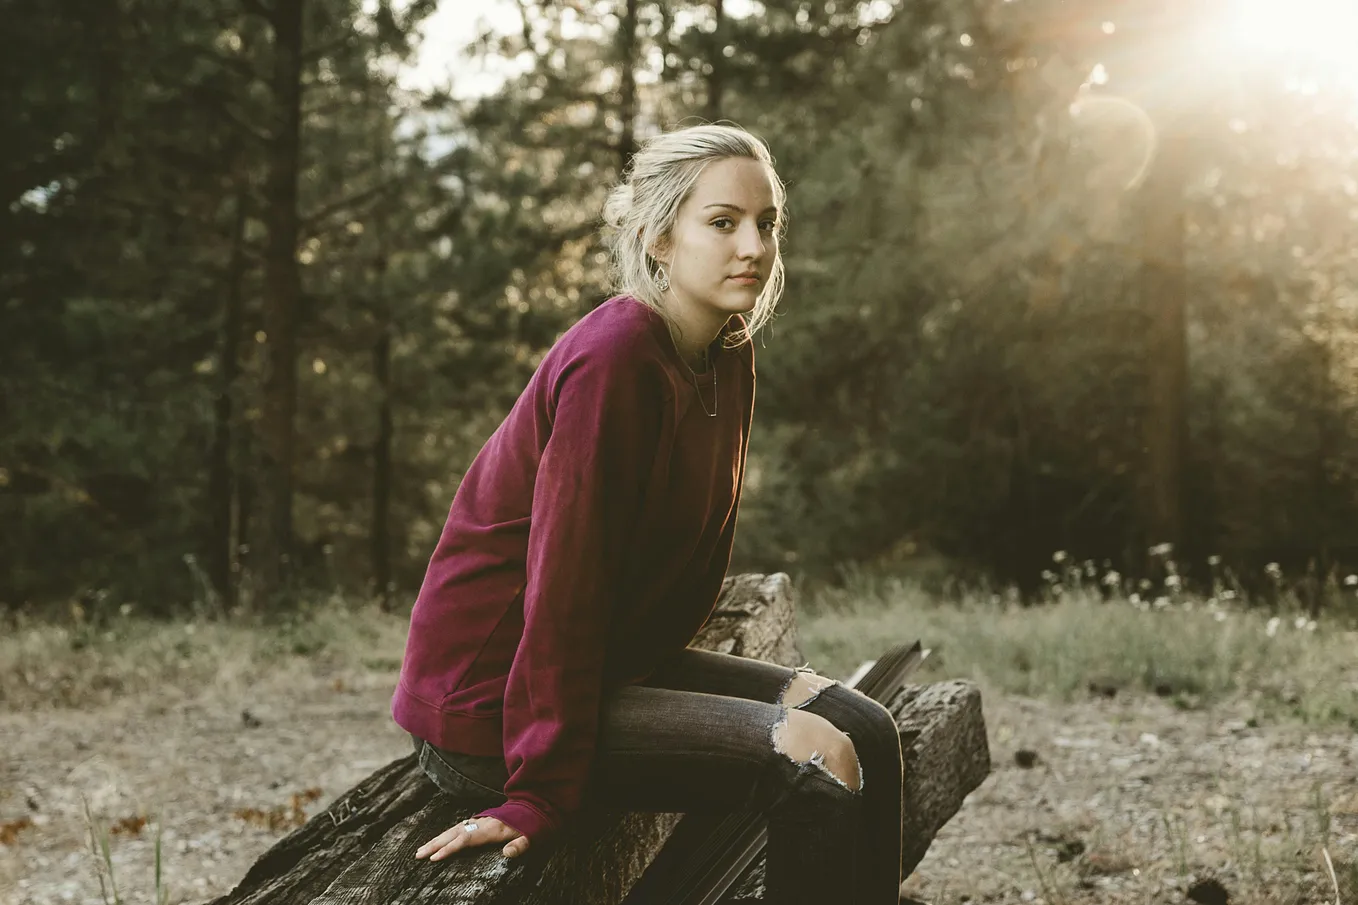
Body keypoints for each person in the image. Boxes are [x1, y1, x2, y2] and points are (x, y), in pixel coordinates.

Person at [391, 122, 905, 903]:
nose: (754, 247)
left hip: (608, 665)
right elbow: (561, 586)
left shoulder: (725, 352)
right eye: (723, 222)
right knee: (812, 754)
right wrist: (540, 791)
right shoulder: (617, 357)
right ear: (661, 238)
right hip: (493, 706)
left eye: (766, 223)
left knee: (864, 724)